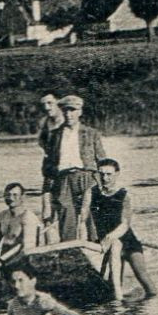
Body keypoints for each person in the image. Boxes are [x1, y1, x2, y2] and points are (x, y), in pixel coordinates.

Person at [38, 93, 108, 242]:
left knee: (91, 218)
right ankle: (70, 253)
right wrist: (46, 193)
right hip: (63, 180)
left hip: (87, 177)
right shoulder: (54, 135)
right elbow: (48, 167)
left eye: (72, 110)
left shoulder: (91, 133)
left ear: (80, 112)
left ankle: (97, 251)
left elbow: (102, 161)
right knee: (66, 217)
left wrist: (104, 185)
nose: (69, 114)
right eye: (65, 111)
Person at [87, 158, 157, 299]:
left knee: (145, 279)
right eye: (102, 174)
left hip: (127, 241)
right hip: (105, 245)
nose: (105, 178)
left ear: (117, 174)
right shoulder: (90, 193)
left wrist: (111, 236)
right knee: (114, 287)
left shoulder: (124, 195)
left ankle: (151, 303)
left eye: (109, 174)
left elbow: (125, 224)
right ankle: (117, 305)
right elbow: (82, 220)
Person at [0, 181, 42, 263]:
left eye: (15, 195)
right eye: (8, 195)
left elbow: (28, 249)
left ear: (22, 197)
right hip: (4, 259)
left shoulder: (28, 217)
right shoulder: (2, 216)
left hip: (22, 261)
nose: (11, 198)